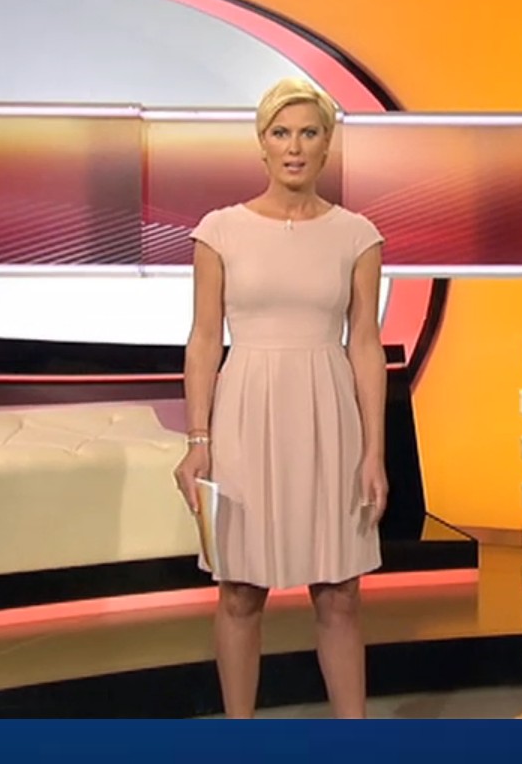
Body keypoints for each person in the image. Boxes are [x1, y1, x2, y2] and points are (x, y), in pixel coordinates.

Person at [173, 76, 389, 719]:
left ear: (327, 145)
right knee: (240, 590)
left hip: (329, 417)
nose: (294, 147)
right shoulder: (219, 231)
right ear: (262, 144)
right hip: (245, 415)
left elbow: (365, 345)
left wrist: (374, 452)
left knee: (340, 592)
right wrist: (198, 440)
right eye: (281, 133)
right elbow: (204, 340)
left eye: (308, 133)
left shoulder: (358, 235)